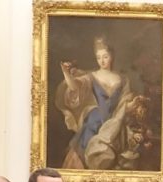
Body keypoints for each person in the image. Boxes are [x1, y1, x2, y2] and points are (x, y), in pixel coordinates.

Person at [56, 37, 134, 170]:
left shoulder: (123, 80)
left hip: (114, 126)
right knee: (83, 158)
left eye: (105, 57)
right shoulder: (92, 77)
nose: (102, 61)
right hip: (93, 124)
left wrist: (131, 107)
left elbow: (125, 102)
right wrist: (66, 73)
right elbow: (75, 87)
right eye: (99, 57)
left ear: (112, 56)